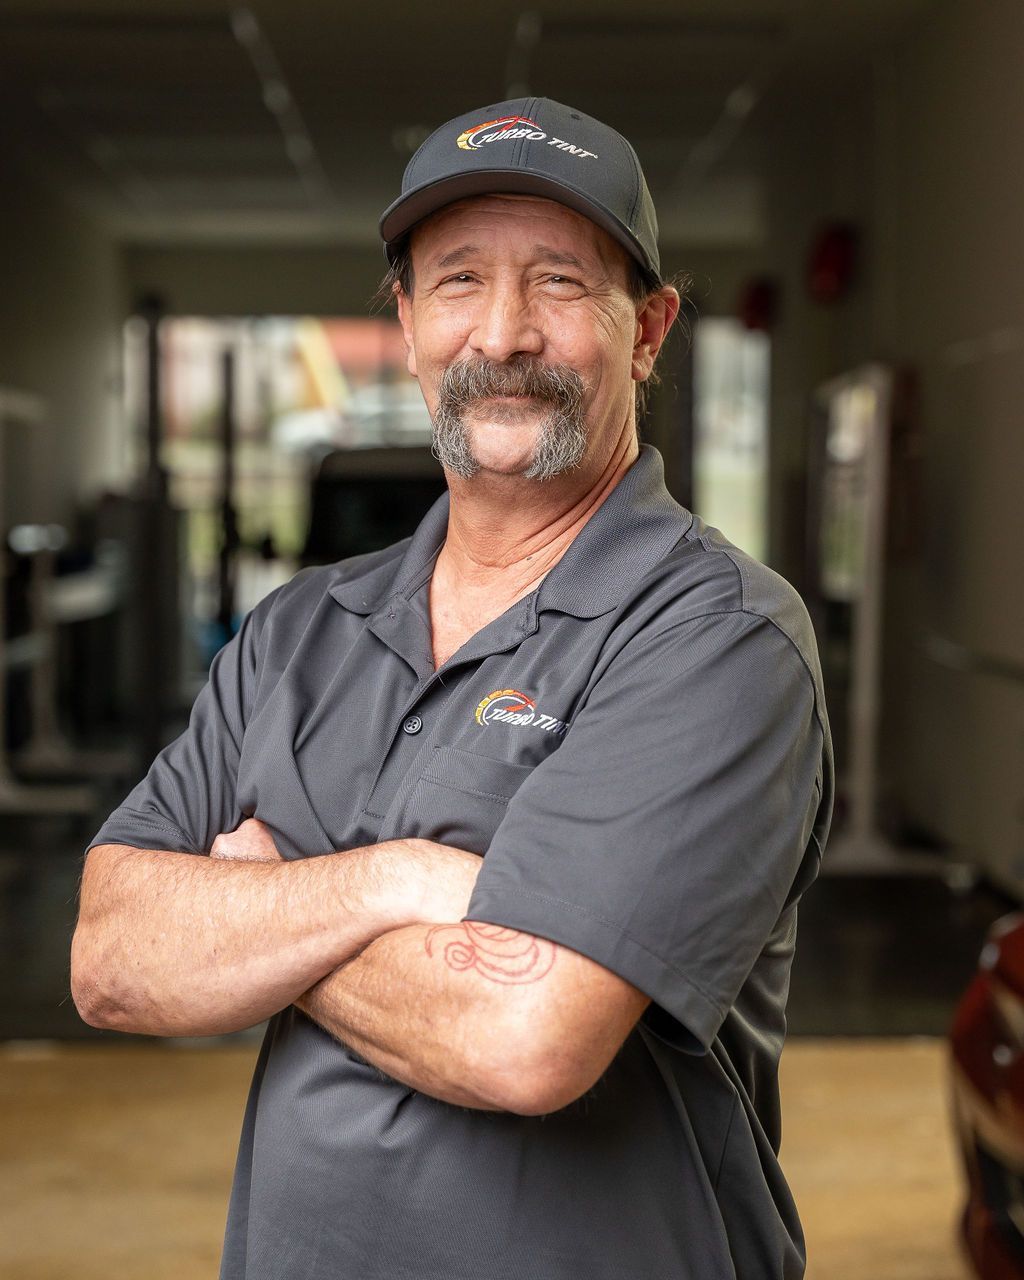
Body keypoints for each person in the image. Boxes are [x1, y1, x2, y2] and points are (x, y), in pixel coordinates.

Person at [72, 97, 833, 1280]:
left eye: (561, 284)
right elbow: (111, 957)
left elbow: (527, 1037)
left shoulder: (716, 638)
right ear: (410, 322)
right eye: (458, 280)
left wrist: (264, 907)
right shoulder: (296, 631)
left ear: (649, 329)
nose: (505, 332)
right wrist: (399, 882)